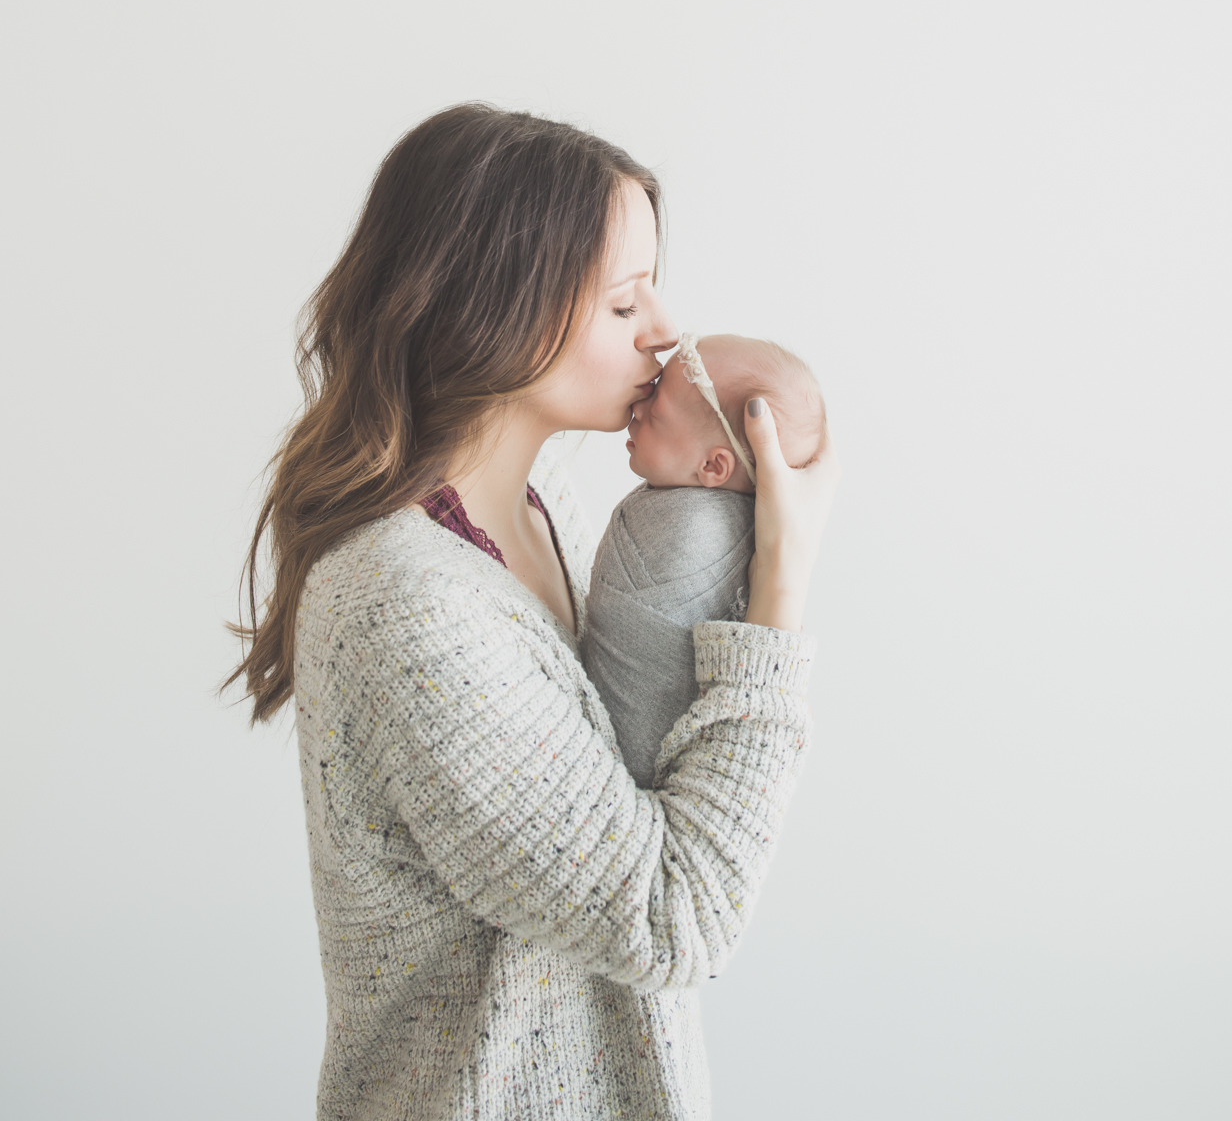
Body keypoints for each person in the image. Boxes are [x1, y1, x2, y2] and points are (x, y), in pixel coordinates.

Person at [227, 103, 839, 1121]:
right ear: (495, 309)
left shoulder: (520, 524)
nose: (665, 331)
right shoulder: (407, 598)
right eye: (623, 302)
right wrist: (781, 593)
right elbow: (673, 919)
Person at [582, 332, 827, 786]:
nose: (637, 409)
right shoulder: (750, 525)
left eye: (654, 413)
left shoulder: (678, 533)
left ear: (714, 467)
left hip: (628, 772)